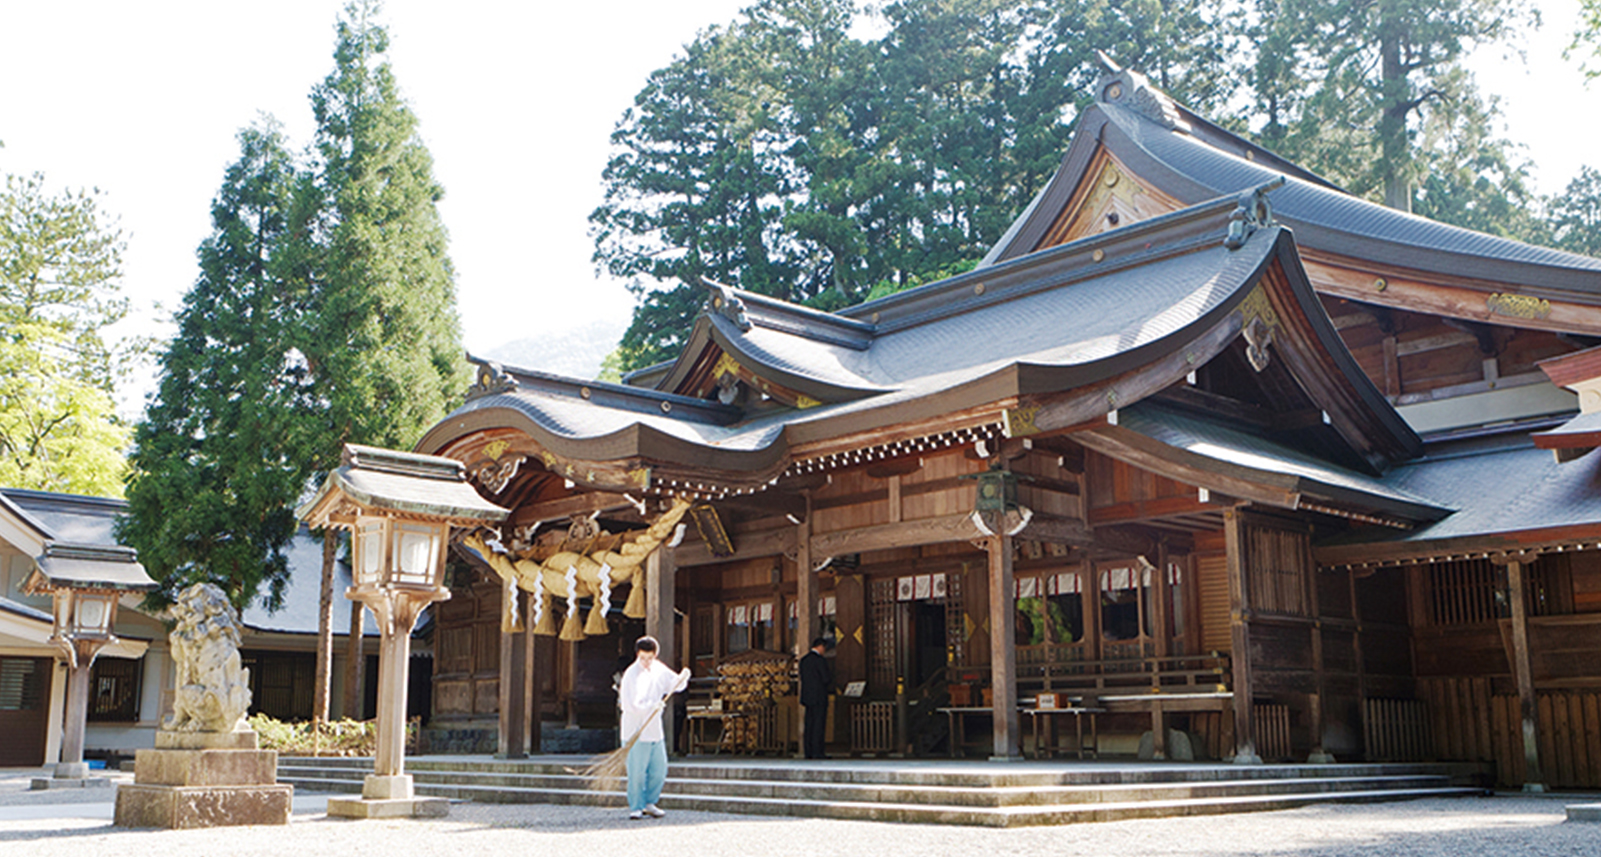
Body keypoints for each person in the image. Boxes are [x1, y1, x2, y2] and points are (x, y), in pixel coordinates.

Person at [618, 635, 691, 819]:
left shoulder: (659, 669)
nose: (646, 662)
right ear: (637, 655)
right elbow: (629, 704)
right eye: (643, 658)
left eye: (650, 658)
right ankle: (636, 805)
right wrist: (650, 707)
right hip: (635, 728)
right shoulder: (631, 674)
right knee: (637, 771)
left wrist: (683, 677)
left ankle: (650, 802)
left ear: (655, 655)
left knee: (660, 768)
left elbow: (675, 685)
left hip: (654, 729)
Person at [798, 636, 832, 759]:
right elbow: (825, 678)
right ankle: (818, 751)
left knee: (809, 724)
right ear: (821, 647)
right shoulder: (820, 661)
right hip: (819, 696)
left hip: (807, 696)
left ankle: (808, 751)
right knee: (818, 725)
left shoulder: (804, 660)